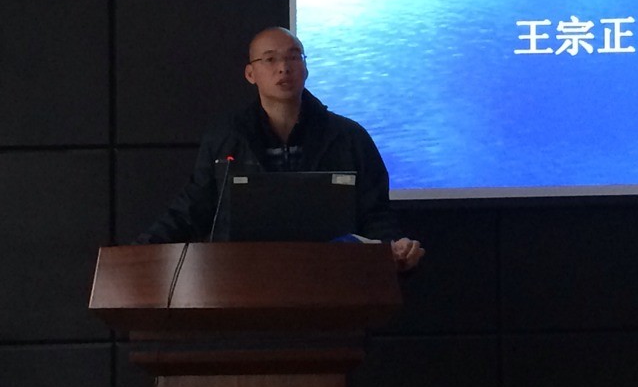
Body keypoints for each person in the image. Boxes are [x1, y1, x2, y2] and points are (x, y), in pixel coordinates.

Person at [136, 26, 424, 272]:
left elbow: (375, 214)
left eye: (293, 57)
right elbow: (192, 209)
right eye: (270, 59)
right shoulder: (226, 137)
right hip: (242, 278)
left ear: (306, 68)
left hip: (332, 278)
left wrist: (394, 248)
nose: (284, 68)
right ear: (250, 73)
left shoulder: (349, 137)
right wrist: (138, 252)